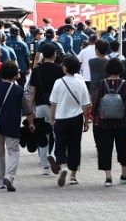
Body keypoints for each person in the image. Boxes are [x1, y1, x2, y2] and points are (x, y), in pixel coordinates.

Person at [0, 61, 34, 192]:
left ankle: (0, 180)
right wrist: (31, 123)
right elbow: (28, 110)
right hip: (12, 125)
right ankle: (9, 176)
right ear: (15, 75)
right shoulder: (19, 90)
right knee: (14, 152)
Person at [92, 58, 126, 187]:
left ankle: (108, 177)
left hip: (104, 123)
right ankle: (124, 174)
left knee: (105, 148)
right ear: (121, 69)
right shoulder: (124, 84)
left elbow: (96, 101)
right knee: (122, 148)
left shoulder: (102, 83)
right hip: (121, 122)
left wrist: (94, 115)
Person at [49, 56, 91, 187]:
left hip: (61, 118)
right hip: (76, 118)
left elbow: (53, 103)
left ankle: (62, 166)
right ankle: (73, 176)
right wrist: (85, 120)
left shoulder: (58, 82)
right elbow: (85, 105)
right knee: (75, 146)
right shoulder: (80, 82)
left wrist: (52, 117)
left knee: (60, 145)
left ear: (65, 68)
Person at [29, 43, 64, 175]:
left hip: (39, 106)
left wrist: (30, 110)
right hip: (55, 107)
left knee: (42, 135)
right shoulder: (60, 70)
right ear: (54, 55)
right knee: (57, 133)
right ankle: (54, 154)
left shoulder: (36, 70)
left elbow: (32, 92)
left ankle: (45, 166)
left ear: (42, 55)